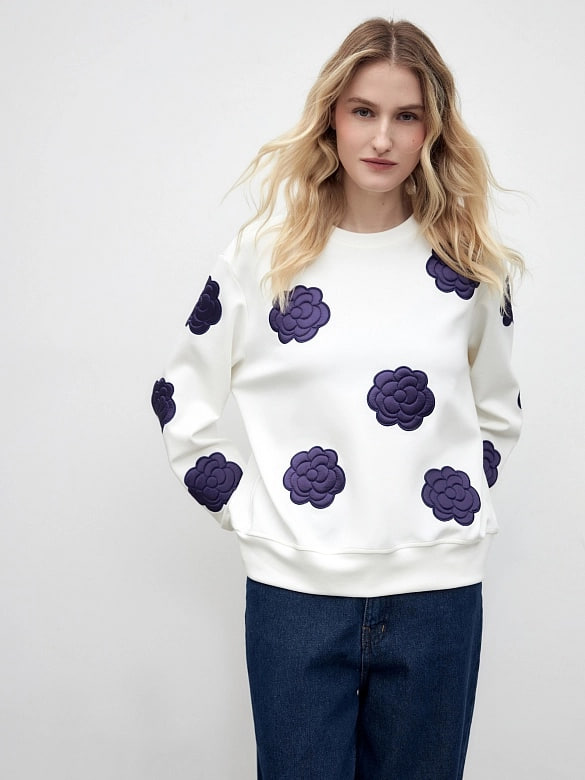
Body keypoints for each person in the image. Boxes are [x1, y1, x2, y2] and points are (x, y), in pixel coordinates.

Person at [151, 17, 523, 779]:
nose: (382, 137)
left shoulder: (467, 266)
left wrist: (449, 508)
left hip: (436, 595)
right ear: (331, 117)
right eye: (362, 111)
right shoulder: (263, 257)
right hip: (295, 595)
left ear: (431, 131)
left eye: (405, 115)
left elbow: (497, 408)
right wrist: (252, 515)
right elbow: (178, 395)